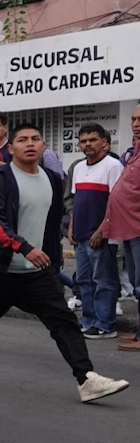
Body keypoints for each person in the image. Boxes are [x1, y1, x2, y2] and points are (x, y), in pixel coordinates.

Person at [0, 123, 129, 403]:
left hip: (35, 272)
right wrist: (24, 247)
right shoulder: (2, 177)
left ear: (43, 146)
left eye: (35, 139)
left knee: (63, 319)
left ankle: (86, 379)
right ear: (11, 149)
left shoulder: (52, 180)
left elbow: (52, 223)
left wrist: (51, 258)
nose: (30, 144)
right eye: (23, 140)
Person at [69, 123, 123, 339]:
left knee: (103, 281)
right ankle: (90, 321)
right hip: (81, 235)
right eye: (83, 141)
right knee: (84, 281)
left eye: (92, 139)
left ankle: (106, 324)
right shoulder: (79, 167)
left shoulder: (113, 166)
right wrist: (72, 227)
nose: (88, 144)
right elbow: (76, 201)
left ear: (105, 143)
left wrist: (101, 231)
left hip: (100, 236)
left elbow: (115, 203)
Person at [103, 105, 140, 351]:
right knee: (137, 284)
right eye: (133, 118)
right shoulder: (134, 152)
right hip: (129, 227)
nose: (135, 123)